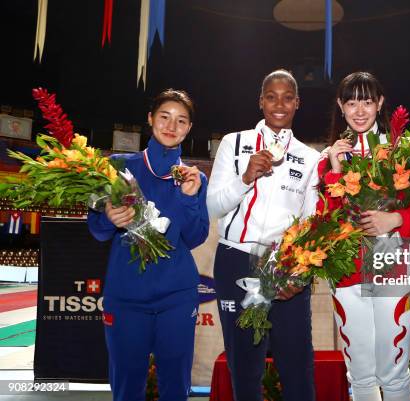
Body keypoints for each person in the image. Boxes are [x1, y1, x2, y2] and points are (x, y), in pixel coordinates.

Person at [88, 89, 209, 401]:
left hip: (177, 297)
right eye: (165, 117)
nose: (171, 125)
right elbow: (97, 231)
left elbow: (195, 237)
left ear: (189, 128)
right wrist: (109, 219)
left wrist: (187, 198)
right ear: (150, 119)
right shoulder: (117, 167)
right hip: (126, 297)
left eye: (181, 121)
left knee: (175, 386)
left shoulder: (194, 178)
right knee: (127, 385)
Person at [207, 69, 319, 401]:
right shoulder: (234, 143)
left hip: (286, 266)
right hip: (236, 262)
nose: (279, 104)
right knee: (245, 366)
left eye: (287, 97)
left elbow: (311, 223)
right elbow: (212, 206)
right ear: (261, 101)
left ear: (297, 103)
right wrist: (245, 178)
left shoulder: (310, 158)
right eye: (271, 96)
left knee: (296, 366)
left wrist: (300, 272)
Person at [317, 71, 410, 401]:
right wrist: (335, 169)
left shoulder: (403, 150)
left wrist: (394, 218)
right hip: (347, 273)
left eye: (367, 101)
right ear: (341, 105)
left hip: (395, 270)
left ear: (379, 103)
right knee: (360, 374)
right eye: (351, 102)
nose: (360, 110)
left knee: (393, 372)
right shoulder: (328, 159)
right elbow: (326, 220)